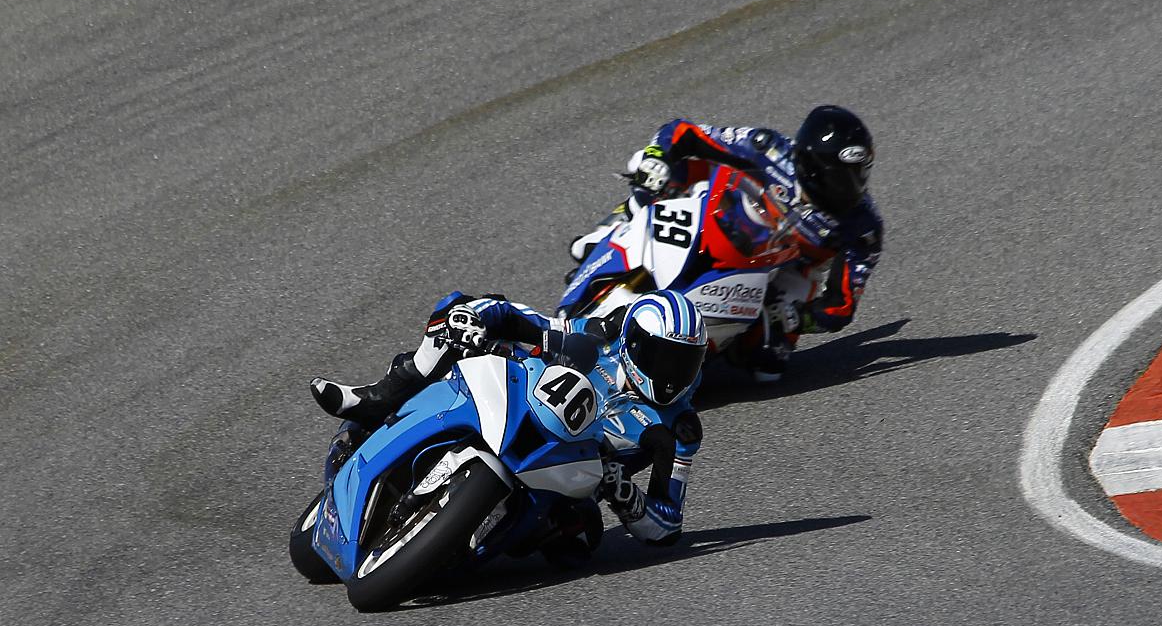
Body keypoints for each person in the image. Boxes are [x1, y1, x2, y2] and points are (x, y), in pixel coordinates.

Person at [309, 290, 706, 545]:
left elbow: (668, 524)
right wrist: (476, 318)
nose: (673, 374)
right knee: (454, 310)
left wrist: (627, 496)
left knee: (575, 542)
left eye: (685, 363)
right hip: (514, 407)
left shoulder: (680, 429)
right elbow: (533, 323)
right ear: (633, 342)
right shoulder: (599, 338)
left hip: (565, 480)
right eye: (664, 357)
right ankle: (372, 400)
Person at [569, 105, 883, 381]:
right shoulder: (769, 150)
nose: (852, 187)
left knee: (767, 367)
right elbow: (681, 132)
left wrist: (798, 317)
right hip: (727, 215)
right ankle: (612, 231)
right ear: (811, 166)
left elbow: (840, 307)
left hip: (788, 268)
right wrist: (657, 160)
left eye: (859, 175)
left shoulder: (863, 228)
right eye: (841, 177)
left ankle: (702, 353)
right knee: (655, 168)